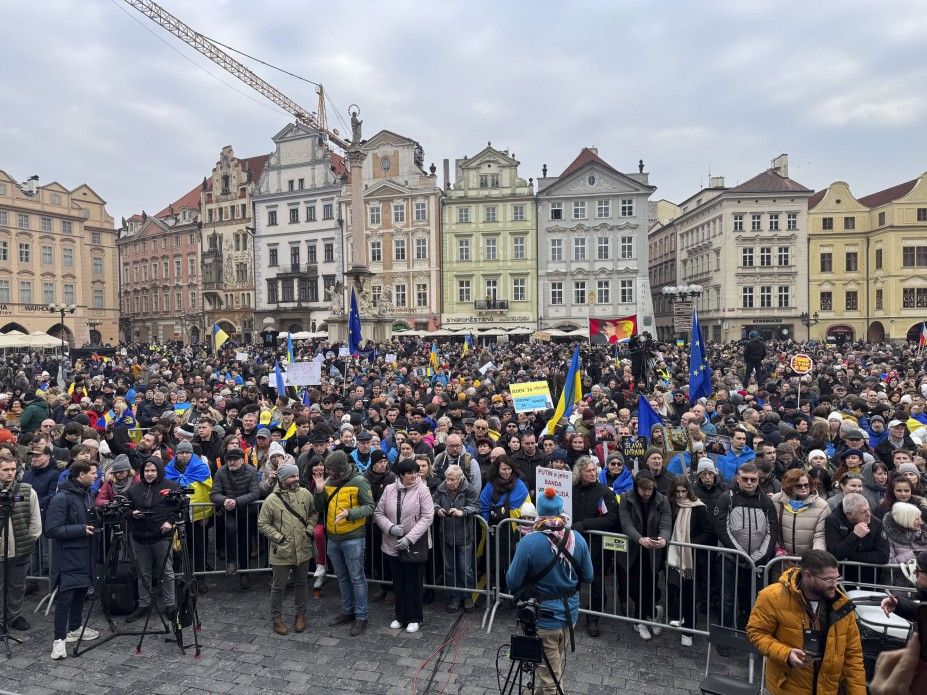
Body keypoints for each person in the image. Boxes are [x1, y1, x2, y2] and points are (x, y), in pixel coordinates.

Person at [506, 488, 593, 695]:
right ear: (561, 511)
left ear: (540, 513)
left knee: (551, 680)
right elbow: (589, 576)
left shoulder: (528, 542)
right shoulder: (577, 539)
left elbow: (512, 581)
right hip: (569, 615)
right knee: (550, 668)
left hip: (543, 618)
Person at [746, 549, 867, 695]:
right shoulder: (772, 596)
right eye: (829, 580)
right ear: (808, 576)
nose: (835, 585)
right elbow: (756, 633)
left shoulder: (841, 604)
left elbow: (853, 656)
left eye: (837, 579)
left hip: (828, 689)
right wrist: (786, 654)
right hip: (787, 689)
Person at [312, 449, 374, 637]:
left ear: (340, 469)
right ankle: (348, 611)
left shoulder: (359, 481)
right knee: (342, 576)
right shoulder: (329, 482)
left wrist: (350, 513)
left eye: (331, 469)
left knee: (357, 577)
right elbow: (319, 507)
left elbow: (370, 507)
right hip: (333, 537)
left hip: (353, 537)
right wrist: (319, 491)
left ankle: (361, 616)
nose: (328, 472)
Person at [44, 459, 100, 659]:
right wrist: (80, 529)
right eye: (93, 473)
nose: (96, 476)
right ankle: (59, 640)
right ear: (81, 474)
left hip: (86, 553)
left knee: (80, 592)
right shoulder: (62, 497)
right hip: (68, 556)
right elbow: (51, 529)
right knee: (66, 597)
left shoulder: (88, 494)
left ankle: (75, 628)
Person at [714, 462, 779, 632]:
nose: (749, 483)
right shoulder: (726, 498)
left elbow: (772, 530)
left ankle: (748, 631)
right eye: (745, 479)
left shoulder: (765, 500)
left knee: (751, 598)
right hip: (730, 558)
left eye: (753, 479)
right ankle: (724, 635)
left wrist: (760, 554)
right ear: (738, 478)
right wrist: (740, 553)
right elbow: (722, 529)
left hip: (757, 559)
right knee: (726, 598)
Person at [373, 458, 435, 633]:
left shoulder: (423, 490)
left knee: (414, 582)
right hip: (392, 542)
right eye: (409, 473)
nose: (413, 476)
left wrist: (410, 538)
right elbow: (379, 513)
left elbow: (427, 517)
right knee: (398, 582)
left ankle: (415, 617)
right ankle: (400, 615)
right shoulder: (389, 489)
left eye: (416, 473)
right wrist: (390, 528)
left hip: (414, 544)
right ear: (401, 475)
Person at [257, 461, 317, 636]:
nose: (296, 479)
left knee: (302, 583)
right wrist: (279, 538)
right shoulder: (271, 500)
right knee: (279, 586)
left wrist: (310, 530)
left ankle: (301, 614)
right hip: (281, 550)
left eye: (297, 475)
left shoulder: (306, 494)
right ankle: (276, 619)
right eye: (291, 476)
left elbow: (313, 513)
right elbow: (263, 523)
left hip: (303, 547)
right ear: (282, 479)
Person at [619, 470, 672, 640]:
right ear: (637, 488)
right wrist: (639, 539)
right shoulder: (627, 499)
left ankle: (640, 620)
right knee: (634, 587)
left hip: (653, 551)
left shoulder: (662, 500)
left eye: (649, 490)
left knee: (650, 585)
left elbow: (666, 522)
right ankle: (653, 612)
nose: (647, 494)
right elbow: (626, 523)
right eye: (643, 490)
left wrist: (663, 539)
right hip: (634, 548)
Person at [124, 457, 178, 623]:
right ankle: (144, 604)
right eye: (147, 471)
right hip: (139, 537)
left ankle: (171, 605)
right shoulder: (133, 489)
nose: (149, 474)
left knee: (167, 572)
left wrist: (170, 522)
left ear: (159, 471)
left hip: (161, 536)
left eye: (153, 471)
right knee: (143, 573)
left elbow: (179, 508)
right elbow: (125, 508)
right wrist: (131, 513)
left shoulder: (171, 486)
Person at [570, 456, 620, 637]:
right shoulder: (572, 490)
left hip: (595, 545)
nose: (592, 473)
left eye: (593, 470)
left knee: (596, 582)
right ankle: (571, 612)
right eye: (588, 471)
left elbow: (612, 519)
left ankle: (593, 618)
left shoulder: (604, 492)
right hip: (573, 543)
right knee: (572, 579)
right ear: (580, 473)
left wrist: (585, 524)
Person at [667, 475, 711, 647]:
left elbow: (707, 530)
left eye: (683, 491)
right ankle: (677, 616)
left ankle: (689, 629)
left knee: (690, 593)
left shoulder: (698, 507)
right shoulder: (671, 505)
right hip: (673, 554)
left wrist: (692, 542)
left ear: (689, 491)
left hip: (691, 558)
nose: (680, 495)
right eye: (677, 491)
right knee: (673, 588)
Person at [0, 455, 41, 632]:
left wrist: (30, 539)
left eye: (12, 469)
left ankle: (14, 616)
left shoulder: (27, 491)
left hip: (20, 549)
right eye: (5, 470)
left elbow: (35, 519)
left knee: (17, 585)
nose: (10, 473)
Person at [210, 448, 260, 589]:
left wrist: (237, 501)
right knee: (230, 530)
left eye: (235, 459)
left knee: (245, 541)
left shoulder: (251, 471)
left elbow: (255, 493)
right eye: (230, 460)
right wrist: (225, 500)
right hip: (229, 510)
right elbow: (214, 494)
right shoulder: (221, 472)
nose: (232, 462)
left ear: (241, 459)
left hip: (246, 510)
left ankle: (244, 573)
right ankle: (231, 561)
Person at [432, 463, 479, 613]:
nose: (450, 482)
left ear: (460, 478)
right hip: (446, 535)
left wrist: (463, 511)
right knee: (449, 568)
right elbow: (432, 501)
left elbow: (477, 506)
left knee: (465, 569)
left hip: (464, 535)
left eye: (453, 480)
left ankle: (467, 596)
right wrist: (437, 509)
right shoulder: (441, 487)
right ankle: (454, 596)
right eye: (448, 479)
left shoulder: (468, 489)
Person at [825, 492, 889, 587]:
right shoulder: (833, 521)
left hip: (871, 581)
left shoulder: (876, 523)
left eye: (869, 509)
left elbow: (883, 556)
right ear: (849, 514)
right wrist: (855, 536)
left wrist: (850, 556)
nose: (869, 514)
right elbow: (836, 554)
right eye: (863, 512)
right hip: (843, 580)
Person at [770, 469, 831, 556]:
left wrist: (815, 558)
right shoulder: (776, 500)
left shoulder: (822, 505)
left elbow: (820, 536)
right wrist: (777, 549)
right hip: (781, 559)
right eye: (798, 486)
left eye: (806, 485)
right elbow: (771, 529)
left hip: (808, 560)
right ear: (789, 486)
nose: (803, 488)